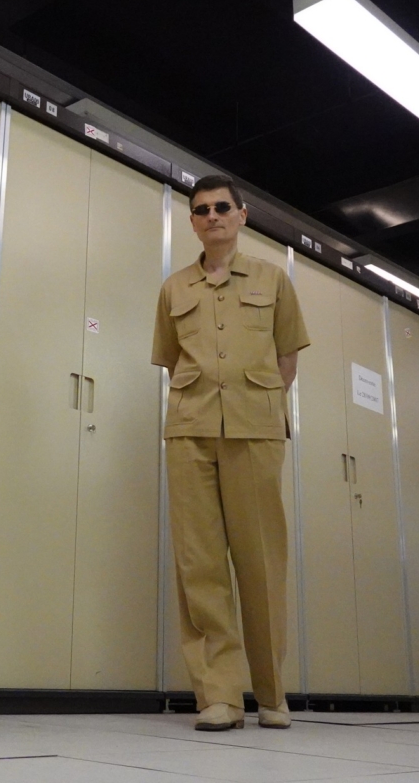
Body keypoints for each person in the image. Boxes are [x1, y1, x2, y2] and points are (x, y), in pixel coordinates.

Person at [152, 174, 308, 732]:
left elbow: (287, 357)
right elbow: (172, 360)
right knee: (200, 564)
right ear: (193, 222)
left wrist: (256, 404)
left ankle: (271, 694)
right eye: (201, 209)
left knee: (260, 560)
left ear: (242, 216)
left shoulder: (273, 279)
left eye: (222, 207)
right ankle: (218, 695)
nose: (212, 215)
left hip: (254, 430)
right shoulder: (174, 289)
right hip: (190, 431)